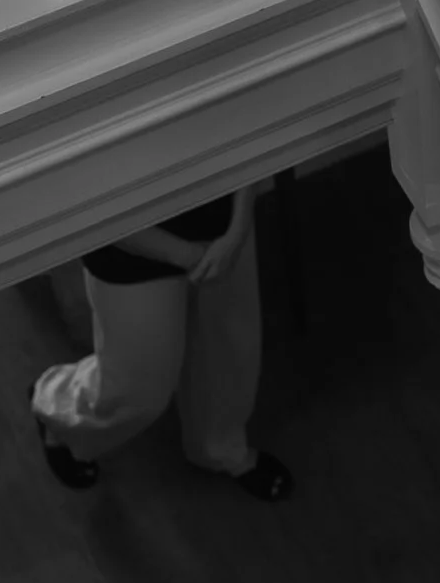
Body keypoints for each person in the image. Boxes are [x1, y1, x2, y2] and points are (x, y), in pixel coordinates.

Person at [32, 187, 291, 497]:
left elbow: (247, 141)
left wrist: (238, 227)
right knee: (137, 390)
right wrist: (187, 255)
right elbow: (85, 194)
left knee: (226, 351)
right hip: (127, 237)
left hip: (222, 217)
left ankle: (220, 447)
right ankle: (57, 405)